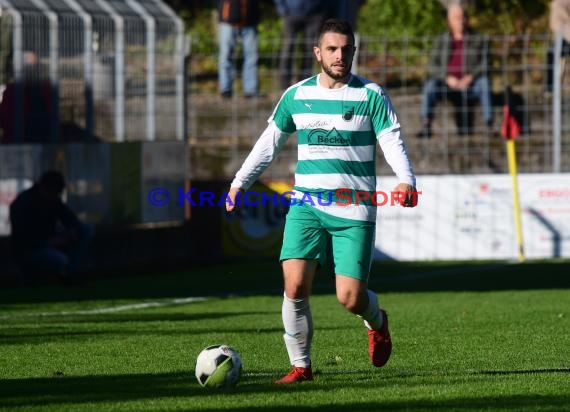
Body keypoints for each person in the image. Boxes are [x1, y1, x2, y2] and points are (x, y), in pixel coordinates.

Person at [226, 19, 417, 384]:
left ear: (354, 52)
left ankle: (377, 321)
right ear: (318, 52)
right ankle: (302, 367)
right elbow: (269, 143)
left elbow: (391, 139)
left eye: (346, 49)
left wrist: (406, 179)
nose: (339, 56)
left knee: (349, 298)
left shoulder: (371, 96)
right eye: (332, 49)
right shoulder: (297, 95)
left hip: (355, 207)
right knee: (294, 286)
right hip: (307, 206)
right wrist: (240, 183)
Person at [416, 3, 493, 138]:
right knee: (430, 86)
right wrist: (447, 78)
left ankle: (489, 125)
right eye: (457, 18)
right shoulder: (441, 40)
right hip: (447, 86)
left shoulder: (479, 39)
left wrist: (470, 77)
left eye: (463, 17)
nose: (461, 21)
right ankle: (426, 124)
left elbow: (486, 63)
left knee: (484, 83)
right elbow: (432, 65)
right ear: (449, 21)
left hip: (471, 85)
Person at [9, 170, 93, 284]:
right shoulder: (23, 204)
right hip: (31, 252)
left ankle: (71, 271)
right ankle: (68, 273)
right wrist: (52, 243)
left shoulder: (52, 199)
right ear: (45, 189)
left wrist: (73, 230)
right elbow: (24, 242)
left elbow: (70, 218)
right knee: (61, 260)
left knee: (87, 229)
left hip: (47, 241)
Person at [274, 0, 328, 89]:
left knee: (309, 50)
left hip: (314, 16)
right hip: (290, 14)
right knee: (288, 48)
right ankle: (284, 83)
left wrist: (321, 12)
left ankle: (305, 81)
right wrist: (282, 10)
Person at [217, 0, 260, 99]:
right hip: (228, 21)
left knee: (252, 57)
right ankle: (225, 90)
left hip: (250, 21)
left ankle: (251, 90)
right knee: (226, 56)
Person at [545, 0, 570, 93]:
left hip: (563, 36)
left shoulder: (558, 3)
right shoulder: (558, 4)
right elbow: (556, 24)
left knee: (552, 55)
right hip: (563, 37)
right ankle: (550, 88)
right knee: (552, 55)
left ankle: (550, 88)